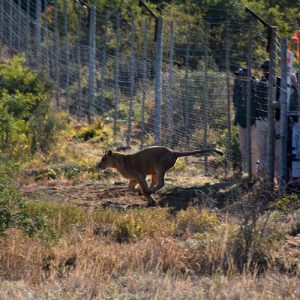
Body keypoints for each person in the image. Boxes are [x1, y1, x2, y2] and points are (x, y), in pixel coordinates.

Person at [254, 60, 281, 178]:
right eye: (264, 68)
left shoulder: (280, 83)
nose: (266, 70)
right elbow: (256, 102)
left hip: (276, 121)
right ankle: (263, 177)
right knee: (262, 150)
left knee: (276, 152)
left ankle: (275, 178)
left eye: (267, 68)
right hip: (262, 120)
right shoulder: (260, 83)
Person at [233, 68, 259, 176]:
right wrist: (237, 88)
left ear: (247, 76)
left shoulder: (254, 85)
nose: (240, 78)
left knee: (253, 148)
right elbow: (236, 104)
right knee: (243, 147)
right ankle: (245, 172)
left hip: (253, 121)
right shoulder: (237, 88)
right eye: (239, 76)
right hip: (241, 121)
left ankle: (253, 173)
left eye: (242, 76)